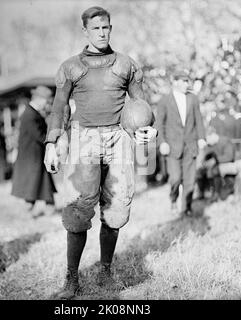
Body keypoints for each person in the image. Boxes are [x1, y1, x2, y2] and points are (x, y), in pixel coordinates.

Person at [43, 6, 157, 300]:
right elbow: (59, 108)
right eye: (96, 28)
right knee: (78, 210)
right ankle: (71, 279)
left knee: (117, 208)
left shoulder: (126, 65)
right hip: (84, 138)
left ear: (110, 28)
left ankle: (105, 270)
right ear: (85, 31)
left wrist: (147, 128)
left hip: (118, 138)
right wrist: (52, 143)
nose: (102, 32)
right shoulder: (70, 67)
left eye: (106, 27)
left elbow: (140, 106)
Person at [156, 69, 206, 216]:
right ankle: (173, 200)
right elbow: (159, 124)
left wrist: (202, 137)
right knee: (175, 178)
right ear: (175, 82)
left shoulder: (193, 98)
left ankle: (186, 208)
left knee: (190, 180)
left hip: (190, 146)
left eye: (187, 81)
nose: (186, 84)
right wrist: (162, 142)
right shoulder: (165, 100)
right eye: (184, 81)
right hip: (172, 147)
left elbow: (199, 119)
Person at [11, 86, 57, 214]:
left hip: (35, 155)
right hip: (32, 157)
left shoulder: (32, 112)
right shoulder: (30, 114)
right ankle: (43, 208)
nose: (47, 104)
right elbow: (39, 135)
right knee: (34, 185)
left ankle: (46, 207)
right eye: (47, 101)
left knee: (37, 185)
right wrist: (52, 142)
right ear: (39, 99)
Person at [196, 127, 235, 201]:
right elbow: (206, 156)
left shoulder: (225, 141)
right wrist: (204, 162)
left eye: (207, 139)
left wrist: (215, 160)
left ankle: (216, 193)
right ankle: (202, 192)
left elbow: (229, 156)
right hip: (216, 165)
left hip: (228, 164)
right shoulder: (210, 145)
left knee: (214, 170)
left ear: (213, 135)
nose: (207, 142)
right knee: (200, 170)